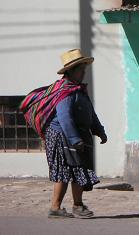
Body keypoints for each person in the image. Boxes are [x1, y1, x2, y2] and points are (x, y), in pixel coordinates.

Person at [20, 49, 107, 218]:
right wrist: (74, 139)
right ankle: (56, 207)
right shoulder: (65, 92)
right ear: (72, 71)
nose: (83, 73)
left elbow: (90, 113)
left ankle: (77, 205)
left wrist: (99, 131)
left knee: (77, 170)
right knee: (64, 172)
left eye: (84, 69)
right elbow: (65, 117)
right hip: (62, 136)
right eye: (81, 70)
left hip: (74, 136)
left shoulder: (78, 90)